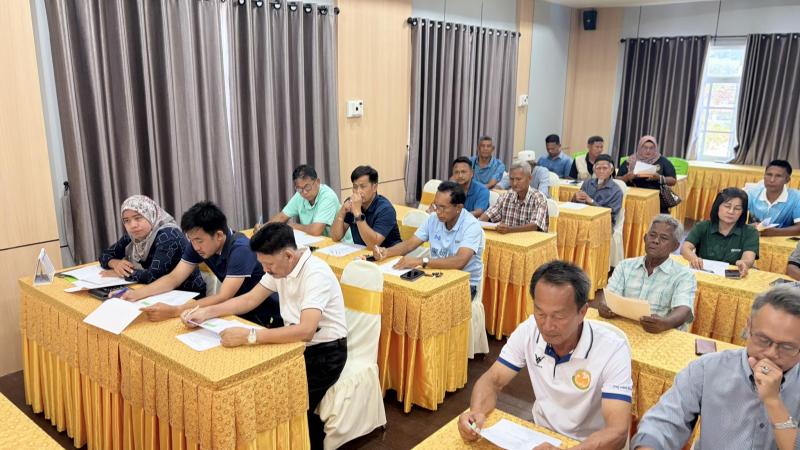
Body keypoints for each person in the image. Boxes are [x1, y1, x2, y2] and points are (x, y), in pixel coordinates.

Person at [182, 223, 347, 450]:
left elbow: (306, 330)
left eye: (268, 265)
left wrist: (250, 336)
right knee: (255, 386)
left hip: (325, 352)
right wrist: (207, 312)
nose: (265, 270)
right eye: (262, 264)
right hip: (293, 346)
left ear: (288, 255)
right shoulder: (279, 267)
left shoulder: (315, 273)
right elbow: (250, 299)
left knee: (287, 405)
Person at [458, 261, 632, 446]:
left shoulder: (612, 349)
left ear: (582, 312)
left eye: (558, 316)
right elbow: (493, 380)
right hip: (539, 433)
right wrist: (476, 412)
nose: (547, 326)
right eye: (540, 313)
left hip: (586, 443)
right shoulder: (529, 330)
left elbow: (617, 431)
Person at [631, 285, 800, 450]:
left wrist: (773, 401)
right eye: (763, 340)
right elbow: (664, 423)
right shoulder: (708, 368)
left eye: (787, 347)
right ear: (748, 327)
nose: (771, 353)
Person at [119, 201, 280, 327]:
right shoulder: (199, 245)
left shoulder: (241, 249)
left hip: (266, 314)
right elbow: (174, 278)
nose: (195, 246)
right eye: (191, 240)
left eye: (199, 240)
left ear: (219, 235)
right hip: (235, 310)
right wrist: (137, 294)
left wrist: (176, 310)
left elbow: (223, 296)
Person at [373, 181, 484, 298]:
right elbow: (409, 244)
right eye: (436, 206)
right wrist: (386, 252)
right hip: (437, 276)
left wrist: (421, 261)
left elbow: (459, 261)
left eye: (443, 207)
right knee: (402, 293)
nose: (438, 212)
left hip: (464, 285)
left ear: (459, 207)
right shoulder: (433, 219)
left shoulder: (471, 225)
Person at [595, 214, 696, 332]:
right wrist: (604, 305)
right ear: (644, 238)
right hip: (624, 329)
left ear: (675, 246)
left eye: (663, 238)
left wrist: (666, 323)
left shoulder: (684, 275)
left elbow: (684, 309)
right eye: (652, 235)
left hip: (660, 333)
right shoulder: (625, 266)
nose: (655, 241)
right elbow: (609, 295)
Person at [99, 195, 207, 296]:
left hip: (186, 294)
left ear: (151, 214)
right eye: (126, 221)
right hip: (157, 291)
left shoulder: (168, 235)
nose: (133, 225)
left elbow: (153, 276)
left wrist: (124, 273)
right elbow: (104, 255)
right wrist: (115, 263)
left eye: (138, 218)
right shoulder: (134, 236)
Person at [681, 188, 758, 277]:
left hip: (732, 277)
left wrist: (744, 263)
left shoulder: (750, 232)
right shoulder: (702, 226)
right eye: (727, 206)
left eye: (737, 208)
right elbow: (685, 248)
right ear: (717, 206)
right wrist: (694, 258)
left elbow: (748, 258)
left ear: (742, 212)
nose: (731, 211)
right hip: (704, 274)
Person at [330, 165, 402, 248]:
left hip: (390, 254)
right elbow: (335, 237)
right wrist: (342, 212)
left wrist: (357, 213)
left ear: (374, 187)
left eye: (363, 186)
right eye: (355, 187)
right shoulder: (353, 203)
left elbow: (373, 245)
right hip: (363, 252)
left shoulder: (386, 209)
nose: (358, 191)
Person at [262, 164, 342, 237]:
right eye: (299, 188)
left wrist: (295, 226)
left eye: (307, 187)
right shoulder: (299, 195)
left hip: (338, 243)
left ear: (317, 182)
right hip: (316, 240)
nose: (304, 192)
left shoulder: (328, 196)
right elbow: (282, 216)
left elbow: (316, 230)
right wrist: (263, 228)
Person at [479, 162, 549, 233]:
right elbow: (489, 214)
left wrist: (510, 230)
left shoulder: (539, 198)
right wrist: (480, 222)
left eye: (518, 179)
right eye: (511, 179)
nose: (514, 183)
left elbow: (535, 226)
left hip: (530, 239)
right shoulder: (506, 196)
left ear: (529, 178)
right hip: (507, 238)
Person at [616, 135, 677, 213]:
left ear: (655, 148)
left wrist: (659, 178)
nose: (648, 151)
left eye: (651, 148)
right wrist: (627, 177)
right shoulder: (630, 161)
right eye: (645, 148)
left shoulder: (663, 161)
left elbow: (673, 181)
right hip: (633, 198)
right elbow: (617, 181)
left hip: (657, 199)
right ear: (639, 148)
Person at [746, 160, 800, 237]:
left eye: (778, 176)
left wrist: (775, 232)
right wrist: (747, 227)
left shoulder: (797, 197)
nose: (772, 180)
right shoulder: (751, 193)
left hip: (782, 241)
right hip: (752, 239)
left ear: (787, 180)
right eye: (769, 174)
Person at [572, 154, 623, 227]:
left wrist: (591, 201)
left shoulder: (617, 191)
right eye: (598, 168)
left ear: (611, 170)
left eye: (605, 168)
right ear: (594, 170)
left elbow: (609, 216)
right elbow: (576, 205)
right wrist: (575, 198)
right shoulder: (587, 183)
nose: (601, 171)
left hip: (604, 224)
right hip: (585, 218)